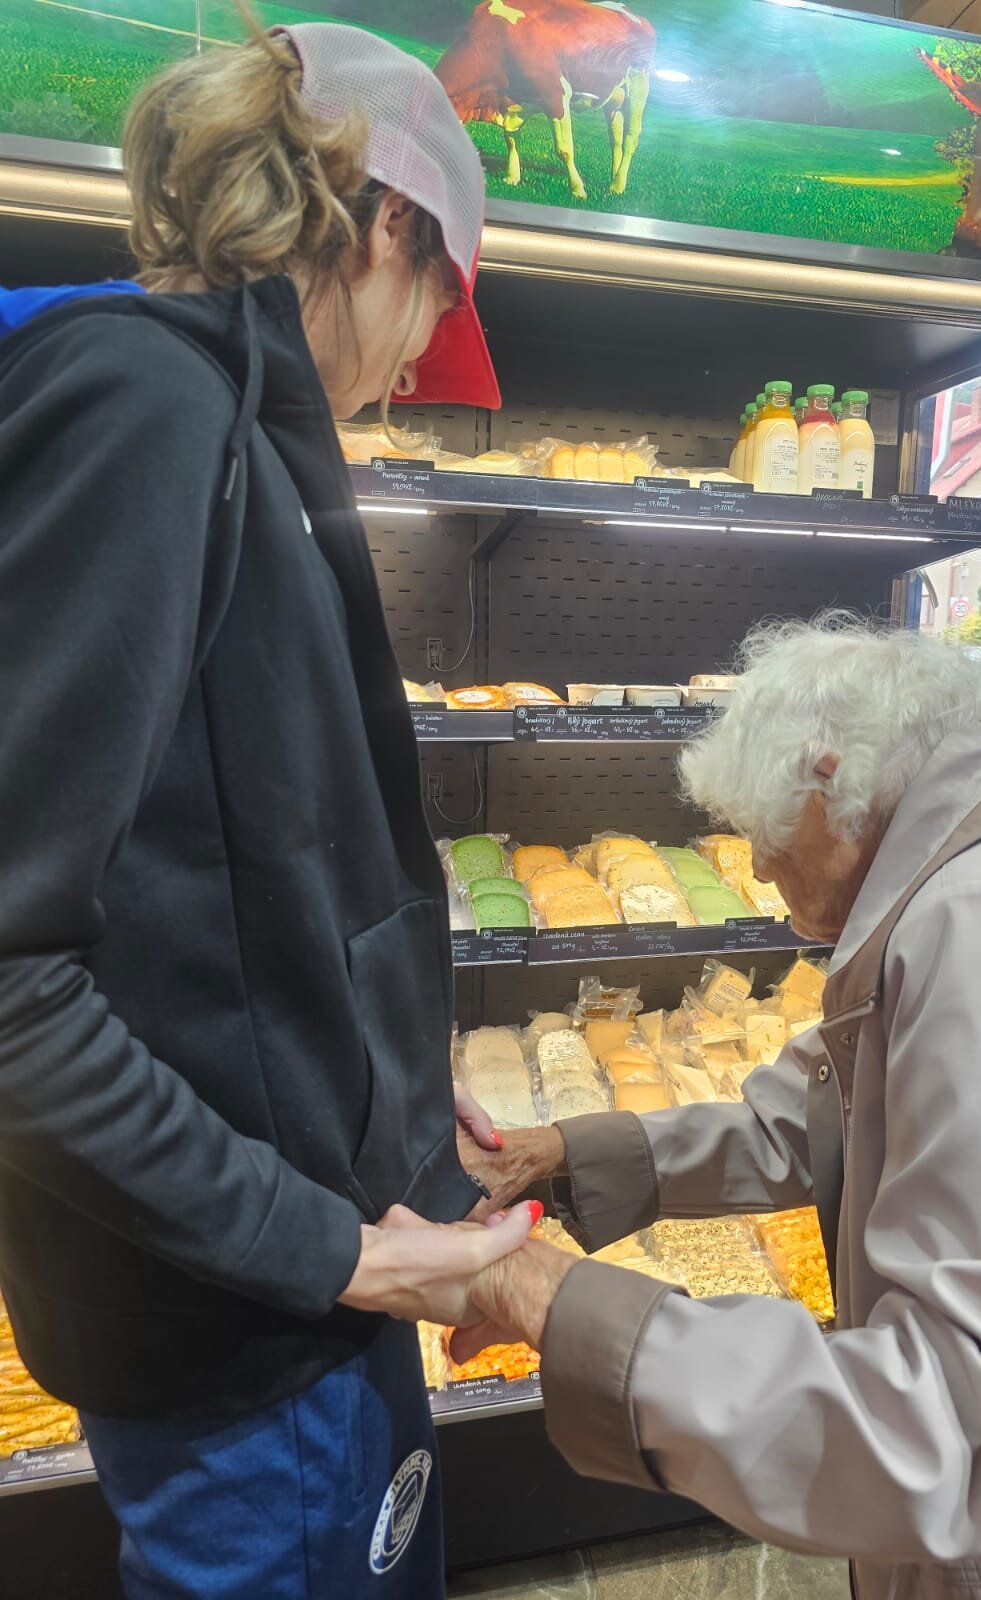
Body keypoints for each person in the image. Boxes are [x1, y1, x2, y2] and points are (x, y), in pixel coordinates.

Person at [0, 20, 538, 1599]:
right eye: (440, 301)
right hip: (248, 1337)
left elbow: (219, 885)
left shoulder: (222, 416)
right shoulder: (144, 407)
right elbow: (12, 972)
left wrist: (392, 1103)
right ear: (384, 225)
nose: (418, 363)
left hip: (299, 1295)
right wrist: (337, 1249)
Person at [459, 618, 981, 1600]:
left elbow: (958, 1425)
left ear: (828, 778)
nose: (759, 870)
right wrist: (556, 1150)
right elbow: (803, 1119)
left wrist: (554, 1301)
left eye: (761, 830)